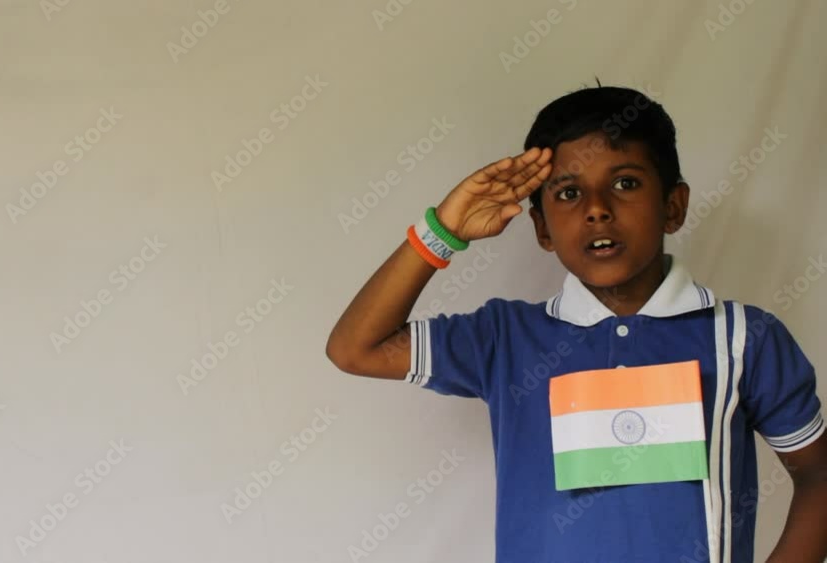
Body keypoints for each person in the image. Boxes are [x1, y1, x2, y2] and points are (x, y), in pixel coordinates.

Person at [325, 84, 827, 563]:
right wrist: (444, 230)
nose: (597, 211)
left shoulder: (743, 337)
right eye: (567, 194)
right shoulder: (504, 339)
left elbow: (818, 476)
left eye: (625, 183)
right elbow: (355, 348)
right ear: (541, 227)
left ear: (673, 206)